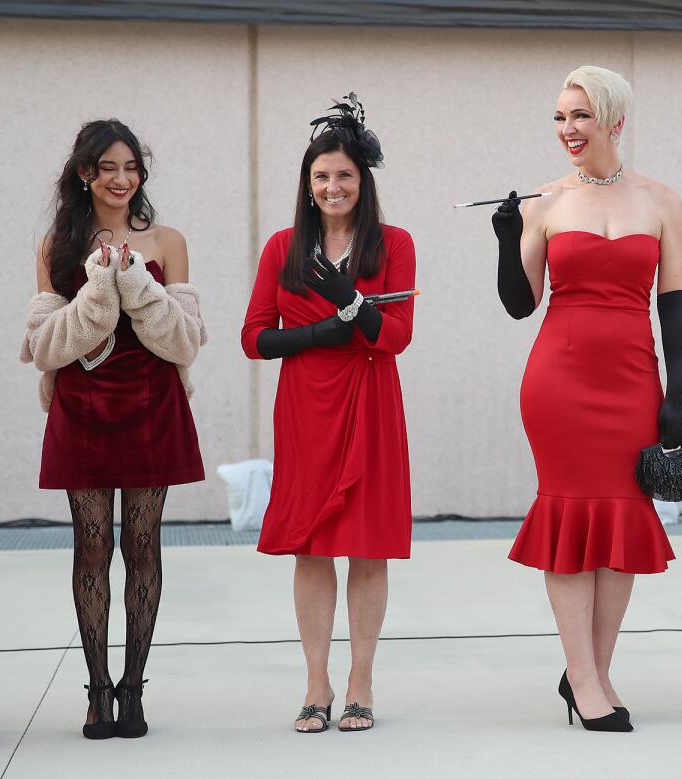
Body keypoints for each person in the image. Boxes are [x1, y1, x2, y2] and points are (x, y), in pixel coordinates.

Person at [491, 65, 682, 732]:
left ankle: (592, 672)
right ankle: (584, 676)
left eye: (579, 116)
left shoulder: (662, 200)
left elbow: (677, 307)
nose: (567, 129)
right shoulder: (545, 201)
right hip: (558, 381)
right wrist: (503, 238)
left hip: (635, 377)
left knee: (620, 522)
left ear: (614, 120)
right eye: (558, 117)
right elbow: (521, 304)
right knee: (572, 520)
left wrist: (677, 399)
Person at [22, 119, 206, 739]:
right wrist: (100, 285)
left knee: (144, 546)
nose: (122, 179)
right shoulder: (56, 247)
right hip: (83, 405)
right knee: (91, 548)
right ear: (84, 174)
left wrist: (134, 279)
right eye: (109, 168)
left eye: (131, 168)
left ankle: (134, 689)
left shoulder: (169, 240)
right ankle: (97, 689)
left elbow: (185, 339)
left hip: (153, 403)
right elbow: (45, 345)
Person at [241, 95, 415, 733]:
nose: (332, 186)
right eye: (321, 176)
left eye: (344, 175)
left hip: (370, 403)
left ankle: (360, 683)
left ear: (362, 181)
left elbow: (395, 336)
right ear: (307, 185)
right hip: (307, 407)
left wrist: (348, 299)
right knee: (310, 549)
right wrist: (320, 335)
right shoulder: (284, 247)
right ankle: (315, 683)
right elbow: (254, 337)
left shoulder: (394, 244)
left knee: (368, 548)